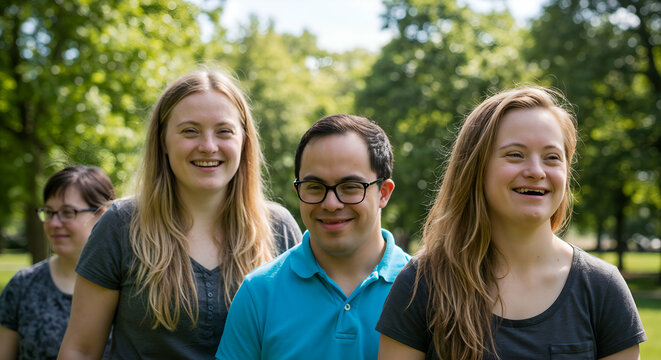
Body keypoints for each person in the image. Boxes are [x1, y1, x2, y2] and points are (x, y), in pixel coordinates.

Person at [376, 86, 647, 360]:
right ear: (475, 169)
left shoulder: (603, 288)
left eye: (552, 157)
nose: (536, 171)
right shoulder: (421, 284)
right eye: (515, 154)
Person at [57, 69, 302, 359]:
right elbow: (80, 350)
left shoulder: (279, 228)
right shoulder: (121, 225)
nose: (208, 146)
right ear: (162, 141)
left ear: (244, 141)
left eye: (224, 131)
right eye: (190, 131)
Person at [216, 114, 411, 360]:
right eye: (315, 187)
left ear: (383, 193)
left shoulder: (423, 290)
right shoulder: (259, 292)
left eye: (350, 187)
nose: (331, 204)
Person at [0, 165, 115, 360]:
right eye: (49, 212)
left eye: (68, 212)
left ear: (102, 216)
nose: (53, 223)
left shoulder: (130, 288)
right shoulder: (23, 284)